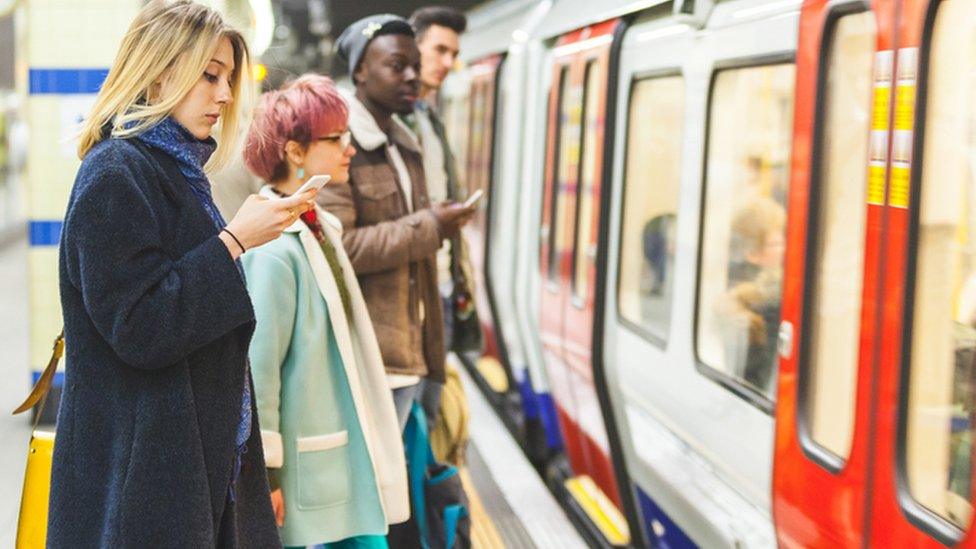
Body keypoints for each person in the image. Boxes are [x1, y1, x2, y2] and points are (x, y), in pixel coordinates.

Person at [52, 1, 315, 546]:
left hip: (188, 463)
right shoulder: (115, 174)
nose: (223, 94)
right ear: (157, 71)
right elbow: (141, 327)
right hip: (142, 481)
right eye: (208, 75)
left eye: (227, 79)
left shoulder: (173, 167)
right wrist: (236, 240)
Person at [241, 74, 409, 549]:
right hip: (310, 466)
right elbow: (260, 368)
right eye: (336, 139)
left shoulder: (318, 224)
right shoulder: (274, 250)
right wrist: (267, 470)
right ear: (294, 152)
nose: (349, 149)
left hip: (336, 455)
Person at [321, 14, 473, 430]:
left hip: (414, 347)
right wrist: (432, 227)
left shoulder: (404, 145)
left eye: (414, 66)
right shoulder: (338, 144)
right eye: (396, 65)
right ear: (360, 71)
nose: (412, 76)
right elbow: (340, 248)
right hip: (372, 358)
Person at [405, 6, 482, 427]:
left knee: (428, 417)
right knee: (415, 421)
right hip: (414, 297)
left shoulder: (428, 119)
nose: (449, 63)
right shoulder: (392, 123)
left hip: (442, 287)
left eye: (454, 54)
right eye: (440, 50)